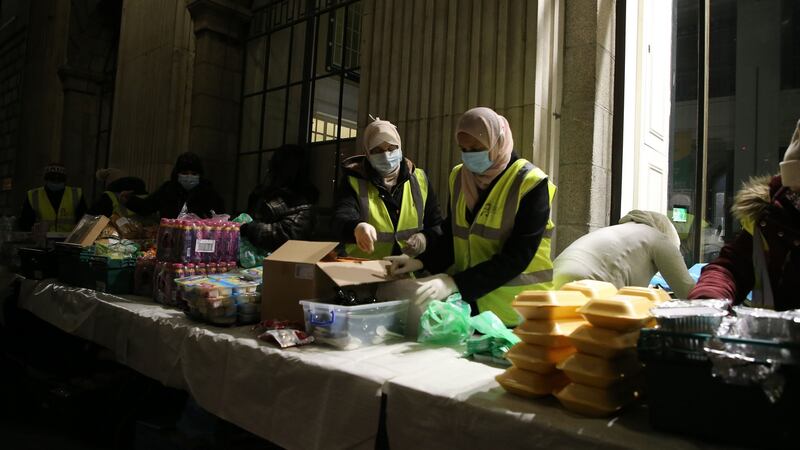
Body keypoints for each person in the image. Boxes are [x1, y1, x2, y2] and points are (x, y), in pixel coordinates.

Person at [387, 107, 556, 326]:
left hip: (519, 312)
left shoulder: (531, 183)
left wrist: (453, 282)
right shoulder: (460, 177)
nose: (469, 156)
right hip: (472, 307)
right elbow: (452, 235)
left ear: (498, 141)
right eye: (463, 149)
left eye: (476, 148)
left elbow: (518, 256)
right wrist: (419, 261)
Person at [689, 119, 800, 310]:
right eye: (795, 192)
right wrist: (708, 300)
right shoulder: (771, 216)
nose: (795, 198)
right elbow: (731, 267)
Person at [332, 116, 442, 259]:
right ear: (367, 153)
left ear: (400, 148)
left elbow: (436, 224)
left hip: (407, 269)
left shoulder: (419, 179)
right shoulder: (353, 180)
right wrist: (356, 227)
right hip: (364, 269)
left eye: (391, 148)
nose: (386, 155)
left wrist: (425, 238)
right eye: (377, 150)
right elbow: (341, 217)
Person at [553, 210, 695, 298]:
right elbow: (689, 294)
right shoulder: (660, 239)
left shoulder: (620, 230)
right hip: (590, 287)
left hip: (551, 282)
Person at [240, 144, 319, 252]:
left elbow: (287, 236)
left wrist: (250, 229)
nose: (269, 170)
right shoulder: (265, 193)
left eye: (273, 166)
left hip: (283, 262)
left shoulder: (302, 199)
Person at [122, 152, 225, 219]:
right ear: (177, 174)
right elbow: (147, 207)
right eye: (184, 173)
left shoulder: (208, 193)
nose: (189, 177)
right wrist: (130, 200)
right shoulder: (168, 190)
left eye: (194, 174)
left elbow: (220, 217)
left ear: (200, 175)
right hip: (170, 241)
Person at [19, 163, 87, 232]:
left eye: (59, 178)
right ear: (46, 179)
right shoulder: (33, 195)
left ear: (64, 179)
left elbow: (84, 219)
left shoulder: (76, 194)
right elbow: (25, 223)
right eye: (52, 178)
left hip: (68, 239)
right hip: (42, 239)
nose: (56, 181)